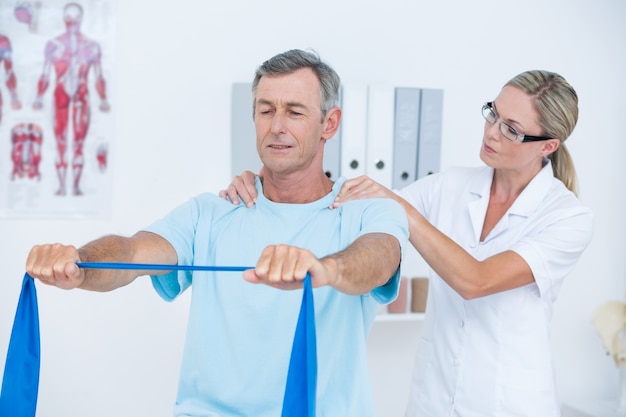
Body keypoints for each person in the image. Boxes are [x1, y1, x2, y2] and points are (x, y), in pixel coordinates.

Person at [25, 49, 408, 416]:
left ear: (330, 123)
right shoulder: (210, 212)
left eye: (294, 111)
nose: (277, 126)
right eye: (265, 110)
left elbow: (380, 256)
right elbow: (134, 253)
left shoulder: (366, 211)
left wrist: (326, 268)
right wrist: (79, 263)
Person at [220, 70, 594, 416]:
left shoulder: (567, 218)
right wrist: (268, 184)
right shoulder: (451, 185)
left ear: (547, 146)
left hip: (511, 402)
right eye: (492, 114)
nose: (491, 132)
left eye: (511, 129)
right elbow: (353, 212)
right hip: (434, 397)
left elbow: (476, 281)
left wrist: (403, 210)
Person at [32, 2, 110, 196]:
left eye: (75, 18)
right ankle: (61, 187)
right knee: (60, 142)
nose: (72, 22)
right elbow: (45, 74)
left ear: (81, 19)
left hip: (82, 96)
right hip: (60, 95)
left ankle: (74, 186)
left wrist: (103, 99)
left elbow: (99, 76)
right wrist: (39, 97)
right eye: (69, 18)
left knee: (78, 145)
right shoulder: (53, 45)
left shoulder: (92, 47)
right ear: (64, 19)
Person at [0, 33, 22, 125]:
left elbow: (8, 70)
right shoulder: (3, 41)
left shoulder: (3, 41)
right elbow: (8, 70)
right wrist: (14, 97)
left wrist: (14, 96)